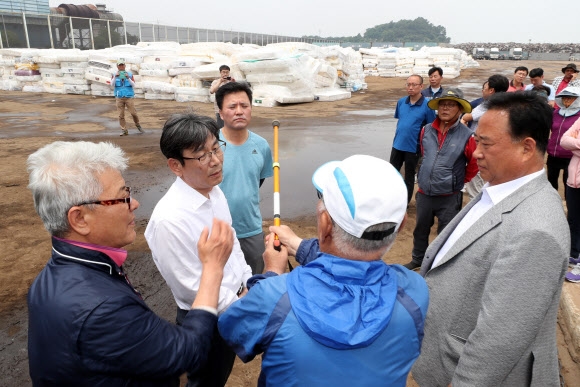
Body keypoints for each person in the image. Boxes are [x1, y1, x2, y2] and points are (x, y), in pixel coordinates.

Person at [27, 141, 233, 386]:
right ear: (79, 218)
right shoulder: (101, 308)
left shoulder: (55, 274)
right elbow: (186, 355)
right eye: (123, 197)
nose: (134, 204)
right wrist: (212, 269)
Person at [218, 155, 429, 387]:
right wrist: (298, 245)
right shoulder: (414, 292)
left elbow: (231, 326)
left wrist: (272, 272)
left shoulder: (272, 297)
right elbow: (353, 268)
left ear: (325, 224)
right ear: (402, 224)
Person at [412, 91, 570, 386]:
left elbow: (499, 341)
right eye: (477, 141)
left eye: (485, 143)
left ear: (526, 148)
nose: (476, 152)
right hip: (442, 360)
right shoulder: (497, 188)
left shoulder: (536, 231)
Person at [144, 113, 252, 387]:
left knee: (222, 371)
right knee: (206, 380)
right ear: (176, 165)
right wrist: (242, 305)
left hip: (235, 303)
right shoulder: (169, 221)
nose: (215, 160)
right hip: (206, 321)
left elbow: (232, 243)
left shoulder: (214, 191)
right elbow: (189, 287)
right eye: (202, 155)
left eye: (216, 148)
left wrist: (246, 282)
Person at [403, 89, 478, 271]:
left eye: (451, 105)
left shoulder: (467, 136)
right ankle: (418, 259)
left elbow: (474, 163)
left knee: (445, 233)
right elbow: (424, 155)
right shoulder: (426, 130)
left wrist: (457, 182)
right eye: (443, 104)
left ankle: (439, 265)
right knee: (420, 230)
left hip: (449, 196)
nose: (445, 108)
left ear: (459, 109)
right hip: (424, 193)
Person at [216, 82, 273, 274]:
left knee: (254, 282)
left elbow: (258, 181)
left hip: (251, 230)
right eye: (232, 107)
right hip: (217, 230)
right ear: (221, 113)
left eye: (244, 106)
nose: (239, 111)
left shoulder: (262, 145)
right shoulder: (209, 145)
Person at [461, 75, 509, 200]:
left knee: (476, 188)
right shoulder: (509, 105)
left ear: (491, 90)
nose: (483, 91)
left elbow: (466, 117)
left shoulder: (489, 105)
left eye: (485, 88)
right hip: (498, 152)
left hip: (481, 149)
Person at [391, 74, 437, 203]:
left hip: (413, 147)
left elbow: (431, 128)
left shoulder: (428, 106)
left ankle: (404, 203)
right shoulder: (401, 102)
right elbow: (401, 122)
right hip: (397, 144)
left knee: (409, 176)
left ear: (421, 86)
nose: (410, 87)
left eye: (414, 85)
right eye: (408, 84)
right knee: (392, 173)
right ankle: (391, 199)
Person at [547, 86, 580, 193]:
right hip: (553, 155)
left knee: (568, 186)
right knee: (551, 184)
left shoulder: (579, 116)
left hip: (570, 157)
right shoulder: (556, 113)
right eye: (564, 98)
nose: (566, 100)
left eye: (570, 98)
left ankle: (569, 207)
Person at [561, 108, 580, 281]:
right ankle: (575, 253)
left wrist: (575, 143)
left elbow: (570, 143)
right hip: (574, 181)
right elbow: (564, 141)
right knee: (573, 219)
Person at [111, 59, 142, 136]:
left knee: (133, 113)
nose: (121, 67)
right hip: (119, 97)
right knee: (121, 115)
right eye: (119, 65)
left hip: (129, 96)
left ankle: (137, 124)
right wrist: (115, 77)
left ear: (125, 66)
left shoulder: (130, 74)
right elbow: (112, 84)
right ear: (117, 66)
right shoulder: (114, 74)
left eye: (122, 65)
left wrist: (128, 78)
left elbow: (134, 85)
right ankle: (124, 130)